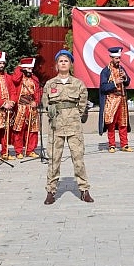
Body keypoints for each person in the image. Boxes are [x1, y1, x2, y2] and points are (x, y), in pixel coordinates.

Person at [42, 49, 93, 205]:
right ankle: (51, 191)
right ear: (57, 65)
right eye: (60, 61)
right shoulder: (50, 84)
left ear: (71, 64)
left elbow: (83, 102)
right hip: (56, 126)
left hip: (73, 125)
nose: (63, 63)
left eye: (66, 61)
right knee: (54, 159)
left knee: (78, 159)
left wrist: (75, 114)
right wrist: (50, 110)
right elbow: (45, 102)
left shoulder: (78, 83)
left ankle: (84, 190)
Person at [99, 46, 133, 153]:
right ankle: (112, 144)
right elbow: (103, 87)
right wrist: (115, 83)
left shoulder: (122, 69)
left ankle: (124, 144)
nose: (118, 60)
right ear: (111, 58)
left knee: (123, 123)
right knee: (111, 123)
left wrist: (125, 78)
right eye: (116, 58)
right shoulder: (105, 71)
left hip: (122, 99)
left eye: (119, 58)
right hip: (111, 99)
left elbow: (127, 82)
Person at [11, 57, 41, 159]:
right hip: (21, 107)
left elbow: (38, 92)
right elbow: (14, 79)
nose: (30, 71)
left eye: (31, 69)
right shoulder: (19, 78)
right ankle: (18, 151)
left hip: (32, 107)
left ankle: (30, 150)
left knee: (33, 129)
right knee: (19, 129)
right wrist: (20, 68)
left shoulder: (35, 79)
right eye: (28, 69)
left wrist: (36, 102)